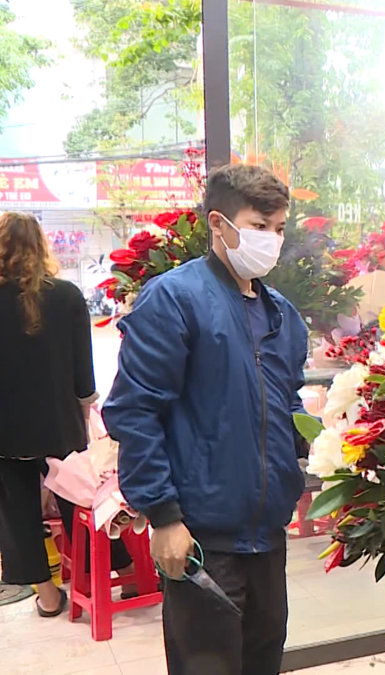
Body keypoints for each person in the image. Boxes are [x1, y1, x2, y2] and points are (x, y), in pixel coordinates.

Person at [104, 165, 309, 675]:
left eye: (279, 228)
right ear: (218, 224)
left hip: (268, 533)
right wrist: (164, 517)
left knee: (263, 661)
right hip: (201, 537)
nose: (271, 240)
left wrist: (318, 443)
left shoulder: (282, 316)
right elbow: (135, 411)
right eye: (258, 226)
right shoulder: (175, 300)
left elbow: (284, 402)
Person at [0, 212, 137, 617]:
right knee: (80, 500)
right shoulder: (66, 295)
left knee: (15, 510)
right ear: (41, 245)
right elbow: (83, 371)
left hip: (5, 428)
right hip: (59, 422)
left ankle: (48, 596)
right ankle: (123, 574)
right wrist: (85, 410)